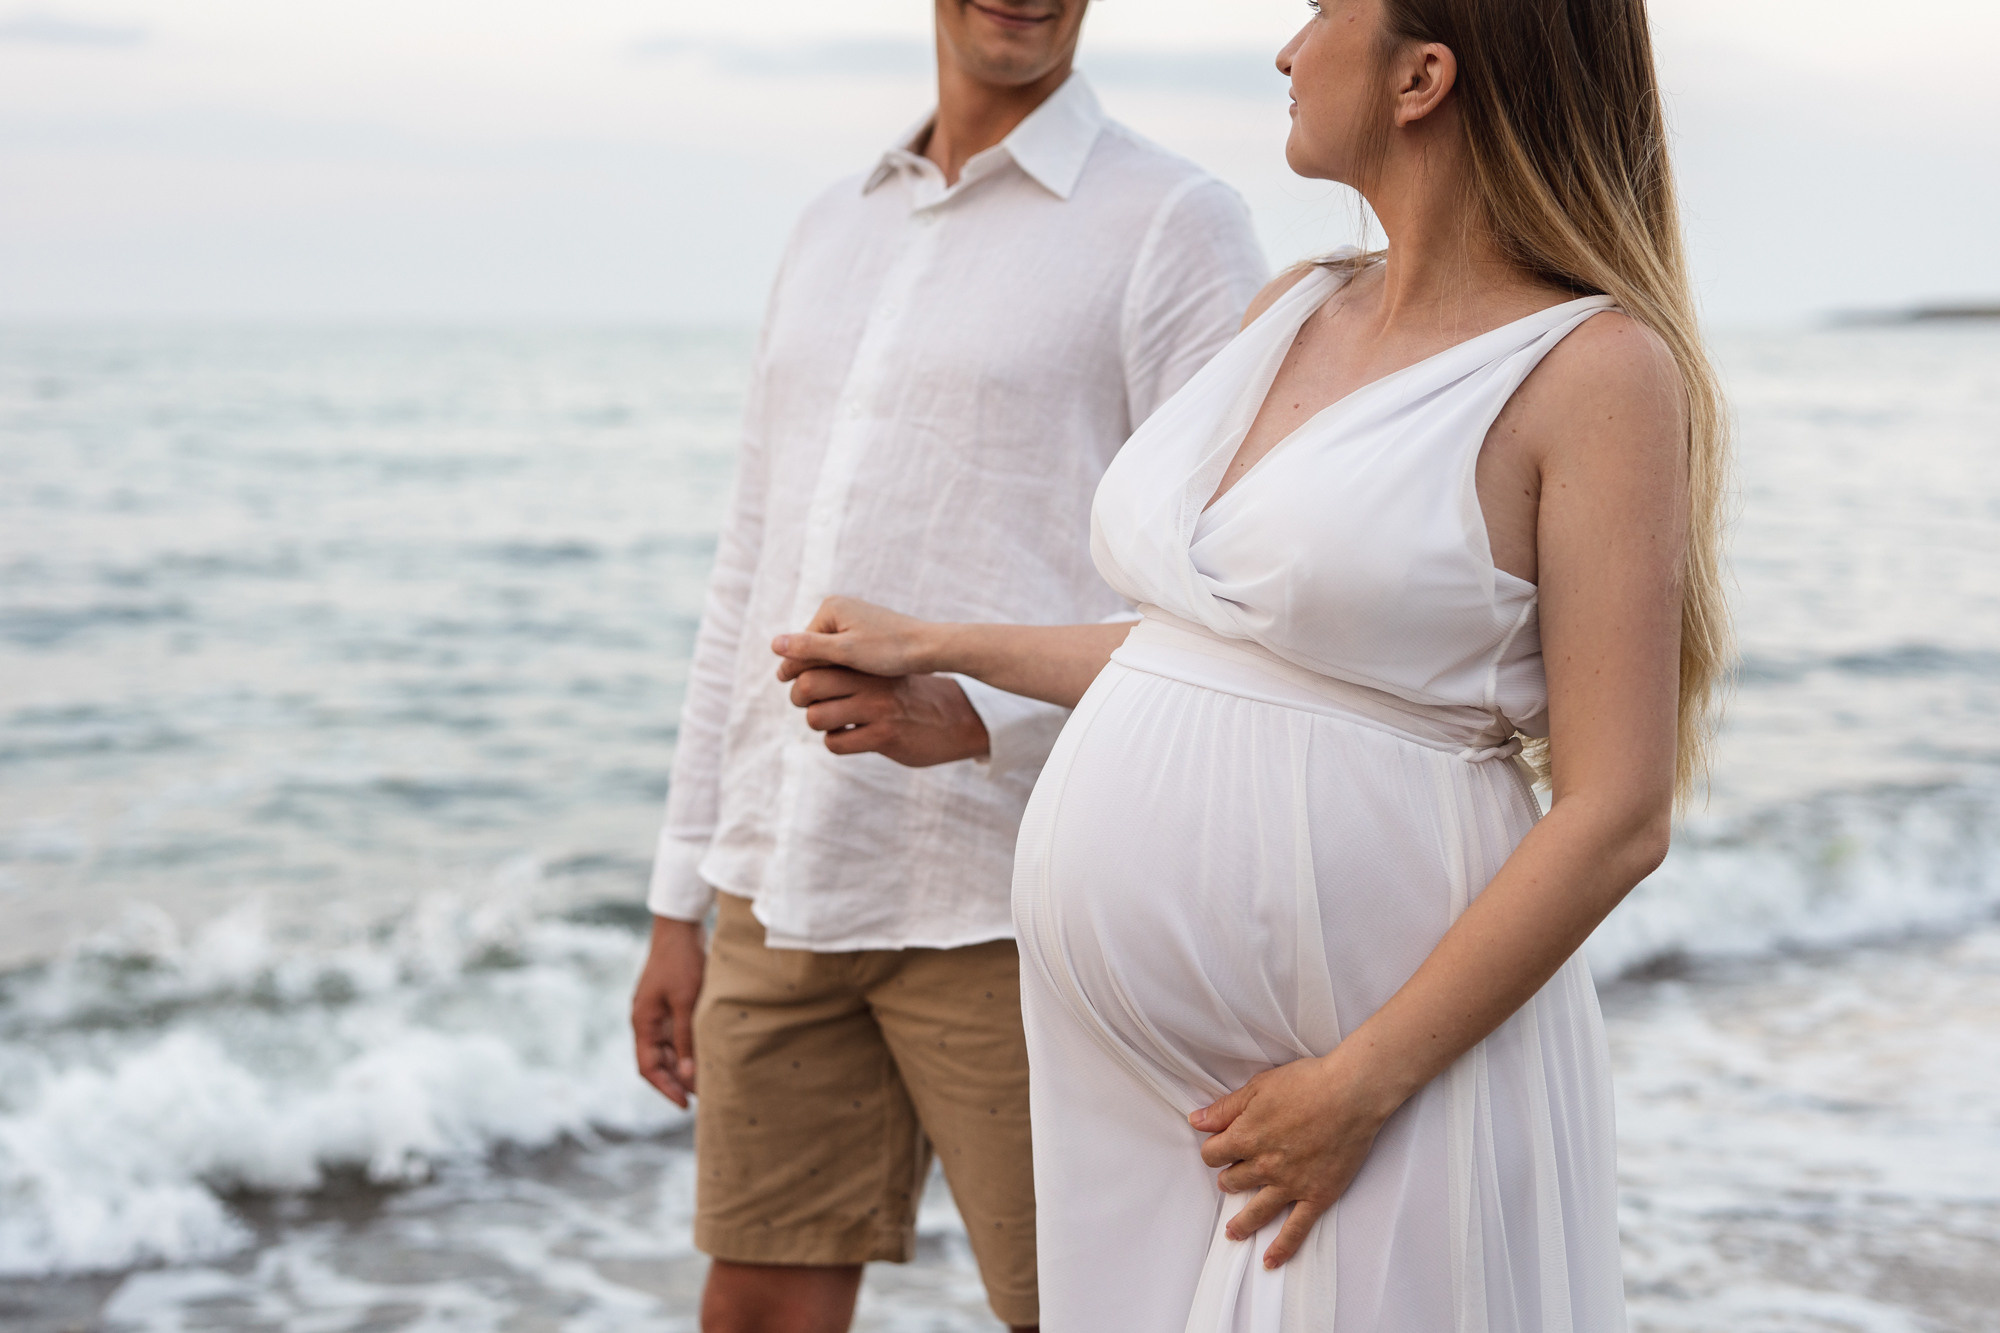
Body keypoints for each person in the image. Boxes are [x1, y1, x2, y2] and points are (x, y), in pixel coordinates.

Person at [770, 0, 1732, 1327]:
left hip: (1360, 1079)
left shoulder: (1595, 372)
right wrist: (955, 663)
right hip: (1140, 1086)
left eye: (1323, 13)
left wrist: (1359, 1086)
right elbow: (1212, 656)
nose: (1287, 50)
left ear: (1423, 77)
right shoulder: (1295, 307)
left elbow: (1617, 814)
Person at [628, 1, 1267, 1329]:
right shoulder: (831, 224)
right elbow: (748, 565)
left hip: (1019, 894)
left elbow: (1231, 609)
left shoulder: (1174, 221)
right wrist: (679, 893)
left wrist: (983, 720)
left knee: (1094, 1310)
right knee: (752, 1305)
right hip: (785, 878)